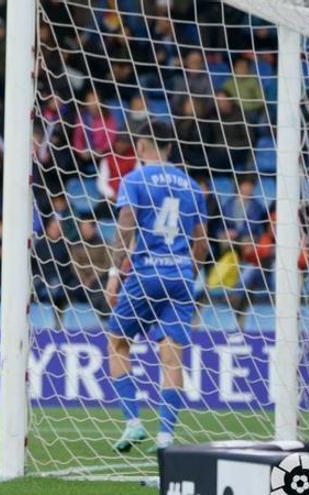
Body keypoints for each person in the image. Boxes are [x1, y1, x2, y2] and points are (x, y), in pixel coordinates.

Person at [105, 121, 208, 453]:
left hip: (145, 274)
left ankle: (133, 423)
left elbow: (125, 226)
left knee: (118, 343)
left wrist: (113, 275)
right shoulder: (193, 186)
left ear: (141, 147)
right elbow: (202, 242)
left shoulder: (134, 180)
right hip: (180, 277)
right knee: (171, 357)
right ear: (170, 148)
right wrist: (187, 272)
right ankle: (165, 437)